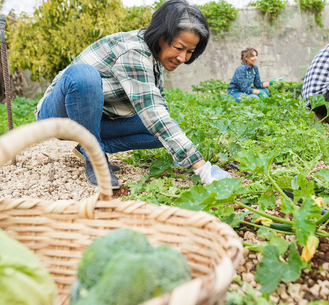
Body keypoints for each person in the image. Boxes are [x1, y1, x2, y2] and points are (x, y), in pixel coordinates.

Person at [35, 0, 231, 189]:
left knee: (159, 132)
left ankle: (89, 146)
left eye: (190, 51)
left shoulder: (154, 59)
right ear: (161, 37)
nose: (182, 57)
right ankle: (95, 157)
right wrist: (202, 167)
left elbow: (159, 112)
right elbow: (151, 111)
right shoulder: (133, 51)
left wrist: (185, 151)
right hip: (58, 116)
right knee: (84, 76)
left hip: (97, 118)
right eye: (179, 48)